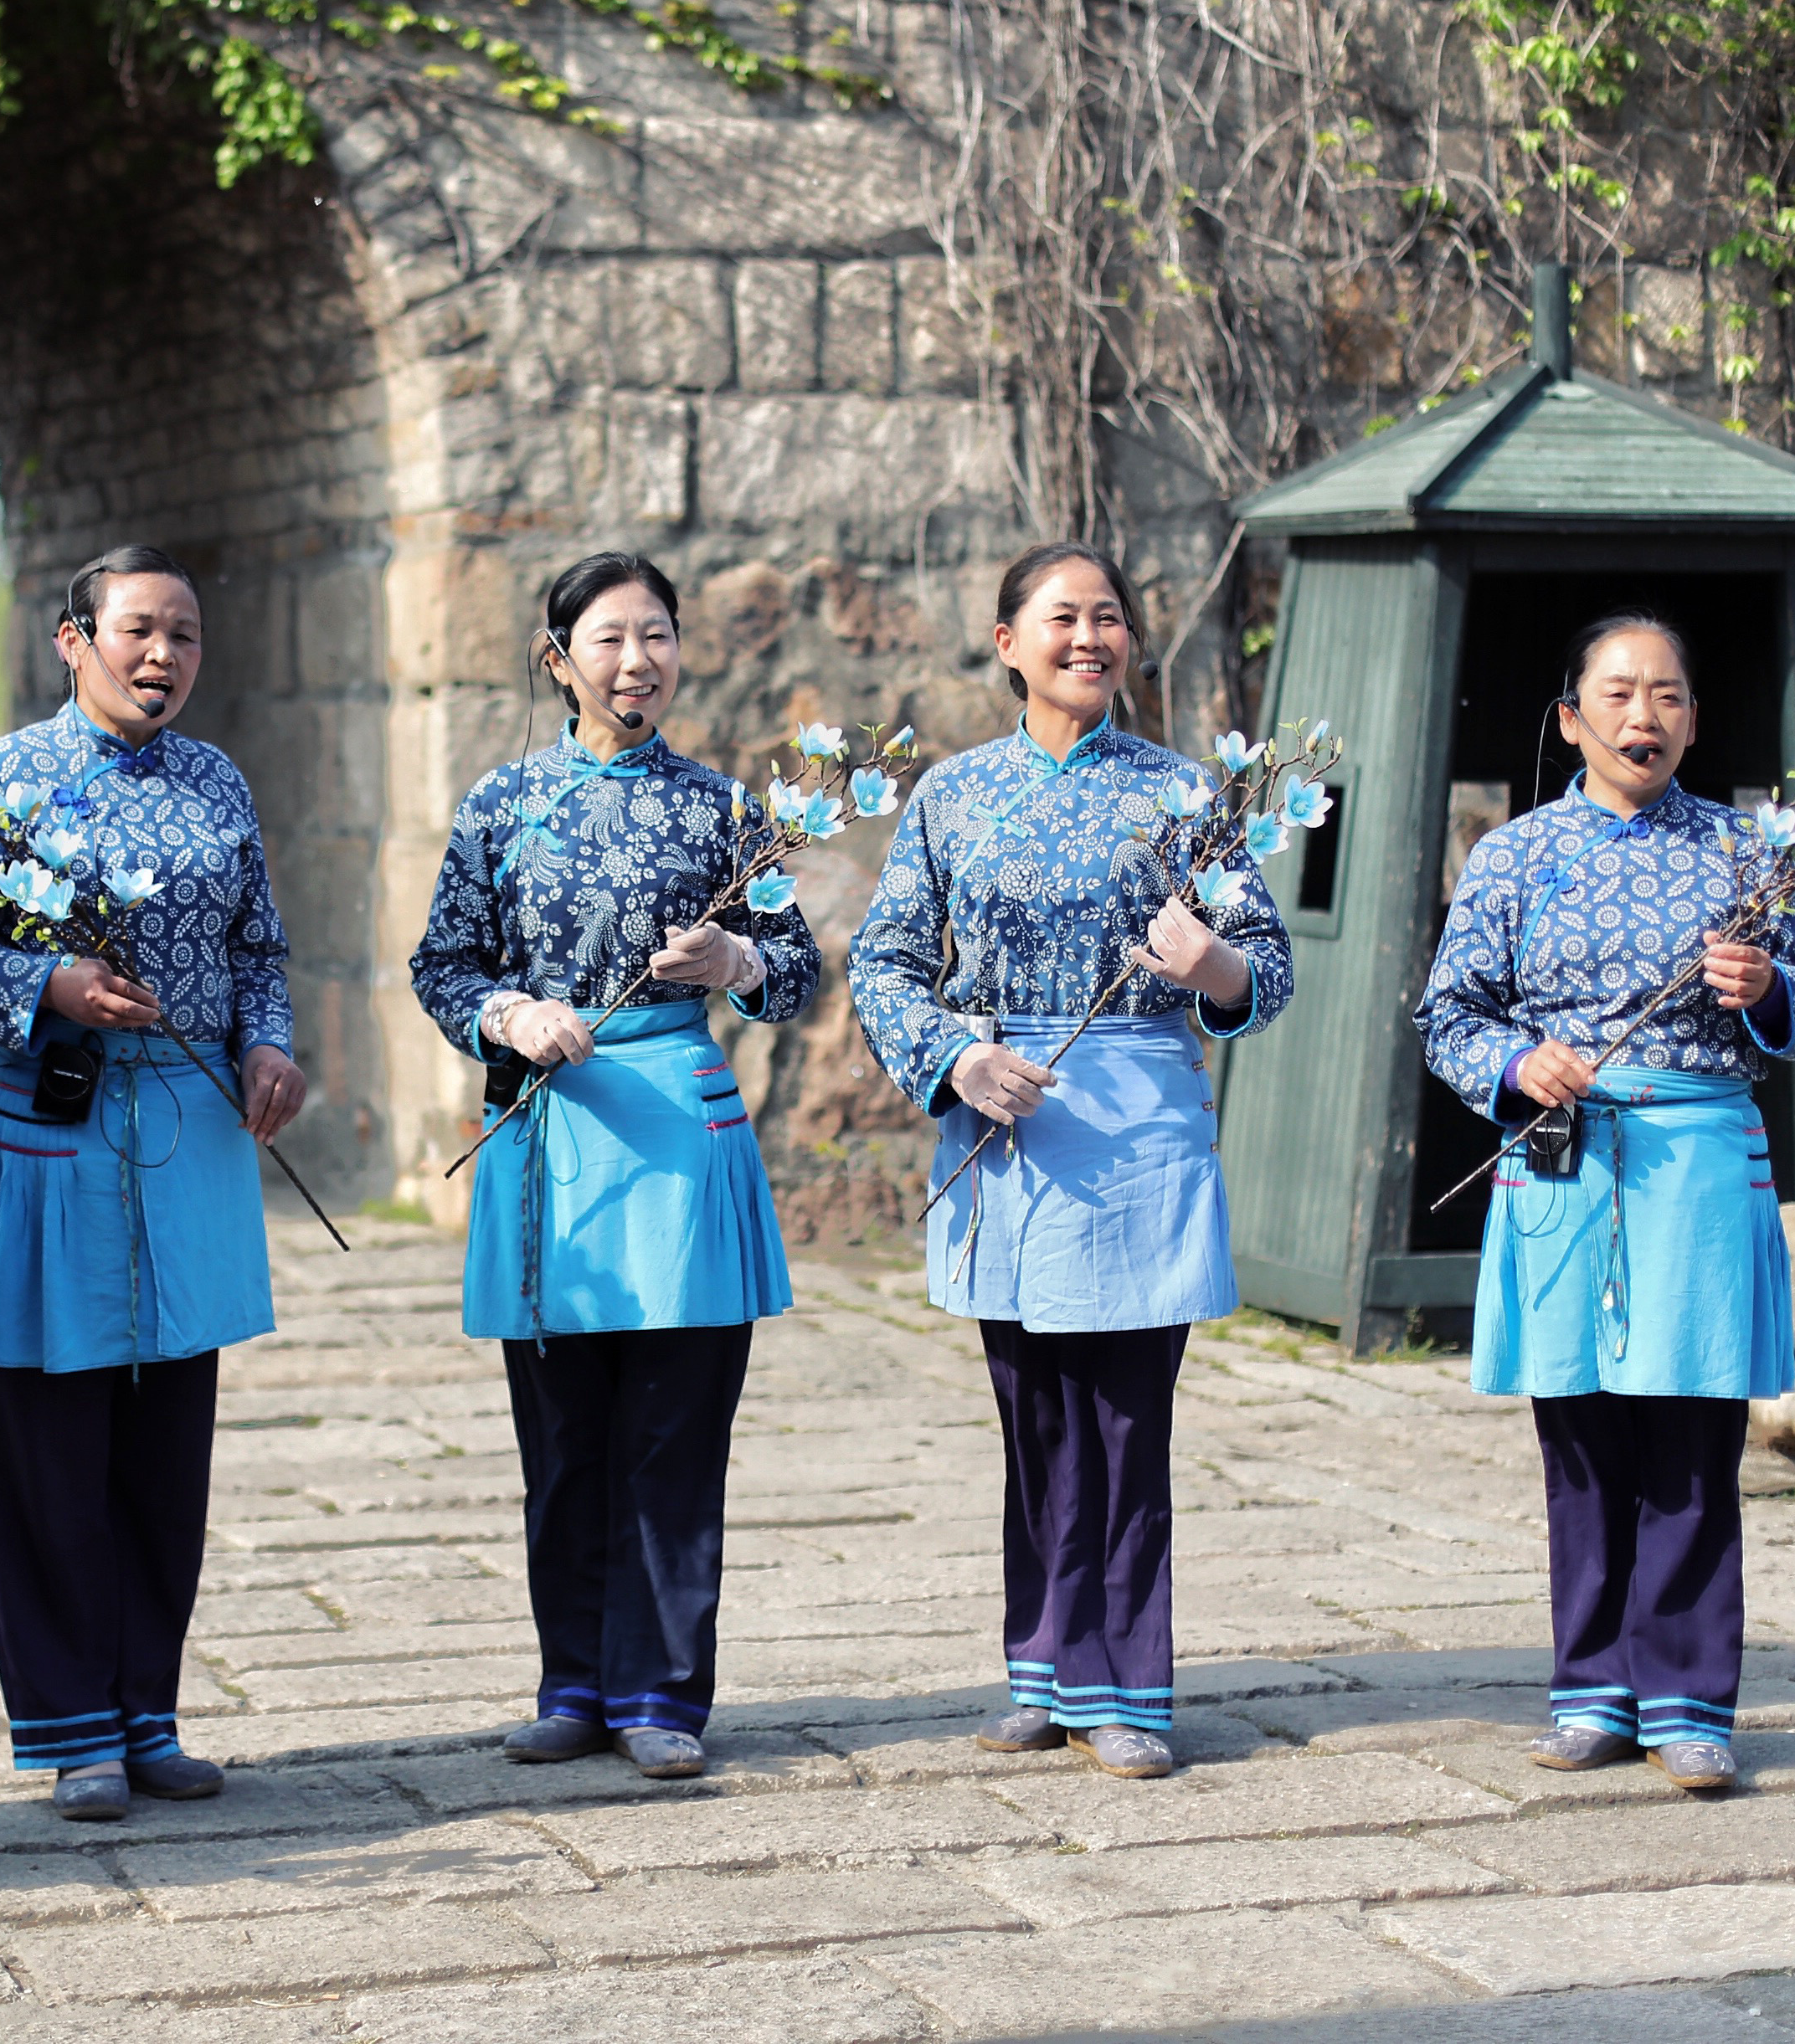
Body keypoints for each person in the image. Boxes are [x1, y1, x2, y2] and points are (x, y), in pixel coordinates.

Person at [847, 544, 1292, 1782]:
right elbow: (883, 962)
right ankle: (1041, 1668)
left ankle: (1130, 1689)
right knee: (1034, 1417)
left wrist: (1207, 965)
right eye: (1061, 617)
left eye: (1108, 619)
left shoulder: (1185, 795)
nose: (1087, 637)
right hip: (1005, 1123)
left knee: (1124, 1420)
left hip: (1138, 1127)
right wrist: (955, 1058)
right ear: (1007, 642)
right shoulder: (951, 794)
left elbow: (1267, 963)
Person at [0, 544, 301, 1823]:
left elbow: (258, 947)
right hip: (44, 1142)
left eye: (182, 632)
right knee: (52, 1446)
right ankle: (71, 1731)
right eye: (136, 630)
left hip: (186, 1144)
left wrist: (267, 1040)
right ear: (74, 641)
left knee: (170, 1445)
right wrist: (46, 988)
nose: (162, 655)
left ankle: (150, 1714)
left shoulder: (219, 783)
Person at [407, 552, 816, 1781]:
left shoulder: (728, 810)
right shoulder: (501, 806)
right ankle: (572, 1681)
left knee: (676, 1431)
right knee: (565, 1432)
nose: (637, 661)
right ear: (559, 658)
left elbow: (797, 968)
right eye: (609, 638)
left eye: (657, 636)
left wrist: (736, 963)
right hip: (550, 1125)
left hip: (681, 1133)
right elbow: (441, 966)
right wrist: (514, 1016)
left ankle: (662, 1695)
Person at [1416, 613, 1795, 1795]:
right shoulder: (1512, 858)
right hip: (1564, 1157)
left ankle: (1693, 1700)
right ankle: (1593, 1689)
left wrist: (1763, 989)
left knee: (1693, 1434)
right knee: (1584, 1431)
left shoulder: (1755, 857)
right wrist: (1518, 1065)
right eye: (1616, 695)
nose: (1642, 717)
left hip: (1698, 1160)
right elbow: (1448, 1016)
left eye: (1667, 697)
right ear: (1571, 720)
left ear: (1695, 722)